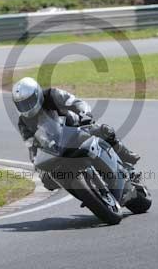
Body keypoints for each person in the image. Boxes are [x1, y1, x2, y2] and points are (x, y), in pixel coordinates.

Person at [12, 77, 140, 190]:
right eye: (22, 105)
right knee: (47, 180)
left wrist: (85, 114)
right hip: (55, 147)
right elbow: (31, 147)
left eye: (29, 102)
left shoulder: (52, 95)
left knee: (104, 131)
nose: (27, 107)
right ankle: (83, 190)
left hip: (76, 128)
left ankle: (126, 157)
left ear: (37, 94)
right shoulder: (23, 122)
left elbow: (76, 102)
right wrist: (38, 166)